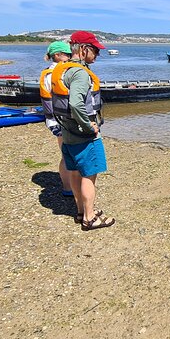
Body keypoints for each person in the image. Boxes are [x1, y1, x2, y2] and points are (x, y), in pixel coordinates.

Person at [50, 31, 115, 230]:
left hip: (68, 133)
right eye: (95, 50)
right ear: (84, 49)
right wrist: (89, 126)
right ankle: (90, 217)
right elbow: (77, 104)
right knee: (89, 175)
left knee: (76, 173)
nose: (97, 55)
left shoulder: (63, 69)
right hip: (84, 135)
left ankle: (81, 211)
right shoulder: (80, 73)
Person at [40, 41, 74, 197]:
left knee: (64, 153)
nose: (70, 57)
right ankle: (71, 188)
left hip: (52, 120)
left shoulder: (46, 73)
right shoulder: (61, 72)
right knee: (70, 154)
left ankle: (67, 187)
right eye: (67, 54)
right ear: (57, 55)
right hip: (63, 120)